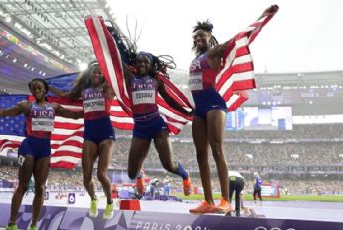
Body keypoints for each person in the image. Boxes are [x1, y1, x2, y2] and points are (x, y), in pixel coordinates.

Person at [188, 5, 278, 214]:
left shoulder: (214, 52)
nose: (198, 40)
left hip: (214, 104)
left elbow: (240, 38)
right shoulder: (194, 60)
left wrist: (263, 17)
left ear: (210, 38)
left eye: (202, 37)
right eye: (196, 37)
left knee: (216, 149)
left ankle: (225, 200)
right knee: (200, 155)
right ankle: (208, 201)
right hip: (198, 108)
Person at [0, 78, 82, 230]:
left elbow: (75, 116)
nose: (36, 91)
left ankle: (34, 225)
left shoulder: (54, 107)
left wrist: (94, 110)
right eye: (33, 89)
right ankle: (12, 223)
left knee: (40, 188)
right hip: (28, 147)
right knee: (22, 186)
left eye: (39, 88)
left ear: (45, 90)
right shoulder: (26, 106)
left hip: (44, 150)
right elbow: (2, 113)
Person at [50, 62, 116, 219]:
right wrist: (48, 86)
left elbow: (118, 79)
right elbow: (66, 96)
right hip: (90, 134)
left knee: (101, 174)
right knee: (86, 177)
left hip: (106, 133)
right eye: (95, 72)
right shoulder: (83, 90)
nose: (97, 75)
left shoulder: (108, 89)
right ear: (89, 73)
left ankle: (109, 202)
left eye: (101, 73)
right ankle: (93, 199)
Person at [123, 53, 192, 198]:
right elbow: (115, 58)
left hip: (157, 126)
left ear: (151, 65)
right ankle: (140, 176)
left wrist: (186, 111)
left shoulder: (155, 81)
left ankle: (185, 176)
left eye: (146, 62)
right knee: (131, 173)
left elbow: (169, 100)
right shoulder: (130, 78)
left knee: (169, 165)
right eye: (139, 62)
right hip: (140, 129)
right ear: (134, 65)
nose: (142, 64)